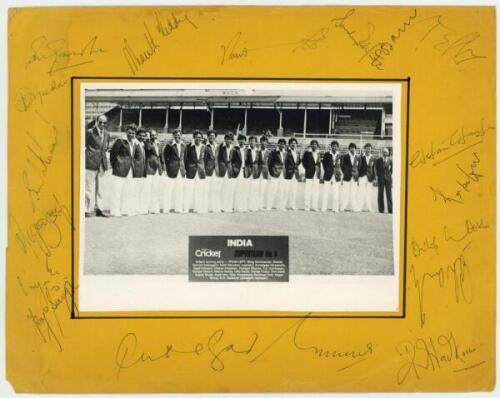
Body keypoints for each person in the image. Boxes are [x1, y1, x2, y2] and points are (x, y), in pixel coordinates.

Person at [109, 124, 136, 217]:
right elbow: (113, 155)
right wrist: (116, 166)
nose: (131, 135)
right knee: (117, 191)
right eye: (129, 132)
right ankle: (114, 210)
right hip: (119, 169)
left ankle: (124, 210)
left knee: (127, 190)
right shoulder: (120, 141)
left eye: (133, 133)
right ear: (126, 131)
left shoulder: (133, 142)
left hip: (129, 169)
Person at [85, 114, 109, 217]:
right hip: (90, 163)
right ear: (96, 122)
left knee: (101, 188)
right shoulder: (90, 132)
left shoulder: (107, 134)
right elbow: (84, 146)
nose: (102, 124)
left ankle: (99, 208)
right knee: (88, 188)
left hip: (101, 164)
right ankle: (86, 209)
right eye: (100, 122)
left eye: (104, 123)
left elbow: (105, 148)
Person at [184, 130, 207, 213]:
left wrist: (203, 169)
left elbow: (206, 160)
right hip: (191, 171)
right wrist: (187, 169)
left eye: (200, 137)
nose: (198, 139)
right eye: (196, 137)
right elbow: (185, 159)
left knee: (199, 191)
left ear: (202, 139)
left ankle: (198, 208)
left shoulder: (204, 147)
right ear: (194, 138)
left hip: (200, 172)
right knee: (188, 191)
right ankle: (186, 208)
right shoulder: (189, 147)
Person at [163, 129, 186, 213]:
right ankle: (166, 209)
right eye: (176, 135)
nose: (177, 136)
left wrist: (184, 169)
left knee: (179, 190)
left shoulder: (184, 145)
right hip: (171, 170)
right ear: (173, 136)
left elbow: (185, 158)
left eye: (179, 135)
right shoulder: (169, 146)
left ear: (181, 135)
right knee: (168, 190)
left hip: (181, 170)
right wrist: (167, 168)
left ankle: (178, 208)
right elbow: (165, 158)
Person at [144, 129, 163, 214]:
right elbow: (148, 148)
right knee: (147, 189)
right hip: (149, 168)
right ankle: (145, 208)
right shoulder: (147, 143)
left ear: (157, 135)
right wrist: (148, 139)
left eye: (155, 135)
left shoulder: (159, 144)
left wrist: (162, 168)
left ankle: (155, 208)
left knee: (156, 190)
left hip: (157, 169)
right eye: (152, 135)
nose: (153, 136)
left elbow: (161, 157)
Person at [321, 140, 342, 212]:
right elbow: (324, 163)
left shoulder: (339, 155)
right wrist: (327, 170)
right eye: (333, 146)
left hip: (336, 175)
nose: (334, 148)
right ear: (331, 147)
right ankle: (324, 208)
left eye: (335, 146)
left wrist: (338, 172)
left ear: (337, 147)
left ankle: (335, 208)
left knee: (336, 192)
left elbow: (341, 165)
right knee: (325, 191)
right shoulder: (327, 154)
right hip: (328, 174)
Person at [266, 138, 286, 210]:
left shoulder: (285, 152)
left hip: (283, 174)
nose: (282, 145)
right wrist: (271, 173)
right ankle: (269, 206)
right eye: (280, 143)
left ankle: (279, 206)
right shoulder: (274, 152)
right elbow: (269, 163)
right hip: (275, 173)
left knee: (281, 190)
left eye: (283, 144)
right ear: (278, 144)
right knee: (272, 190)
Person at [302, 139, 321, 211]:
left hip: (316, 174)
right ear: (311, 145)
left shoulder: (319, 153)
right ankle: (307, 206)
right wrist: (308, 168)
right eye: (313, 144)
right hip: (309, 173)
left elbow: (318, 163)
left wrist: (319, 171)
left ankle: (314, 206)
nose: (314, 145)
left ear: (317, 146)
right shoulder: (307, 153)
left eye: (315, 144)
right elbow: (304, 162)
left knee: (316, 191)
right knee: (308, 191)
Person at [132, 128, 147, 215]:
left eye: (143, 135)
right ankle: (133, 209)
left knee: (139, 191)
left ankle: (137, 208)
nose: (142, 137)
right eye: (140, 135)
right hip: (136, 171)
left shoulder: (142, 144)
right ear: (137, 135)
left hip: (142, 171)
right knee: (134, 191)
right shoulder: (134, 144)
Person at [357, 143, 376, 212]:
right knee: (361, 192)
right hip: (362, 176)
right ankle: (359, 207)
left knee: (369, 193)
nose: (368, 150)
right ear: (365, 149)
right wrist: (358, 177)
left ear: (371, 149)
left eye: (369, 148)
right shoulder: (361, 158)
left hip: (370, 177)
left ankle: (369, 207)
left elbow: (374, 169)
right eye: (367, 148)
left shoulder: (373, 158)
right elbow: (358, 167)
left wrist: (374, 178)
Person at [341, 142, 359, 212]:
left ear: (355, 149)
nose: (352, 149)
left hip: (354, 177)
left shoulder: (358, 157)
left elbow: (359, 167)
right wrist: (346, 172)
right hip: (347, 176)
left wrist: (356, 174)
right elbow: (342, 166)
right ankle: (343, 207)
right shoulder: (345, 157)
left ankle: (354, 207)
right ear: (349, 149)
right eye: (351, 148)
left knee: (353, 193)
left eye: (353, 148)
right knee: (345, 192)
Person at [218, 133, 234, 213]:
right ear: (225, 139)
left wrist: (233, 169)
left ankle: (228, 207)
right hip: (222, 170)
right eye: (227, 139)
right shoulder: (221, 147)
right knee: (221, 189)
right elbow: (217, 158)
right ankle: (221, 207)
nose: (228, 140)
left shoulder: (233, 148)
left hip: (230, 171)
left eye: (230, 139)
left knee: (229, 190)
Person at [232, 134, 248, 212]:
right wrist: (234, 169)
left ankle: (241, 206)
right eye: (240, 139)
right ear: (238, 141)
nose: (242, 141)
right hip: (236, 171)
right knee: (235, 189)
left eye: (243, 139)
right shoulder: (235, 149)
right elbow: (232, 161)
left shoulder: (246, 150)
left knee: (242, 189)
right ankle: (234, 207)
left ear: (245, 141)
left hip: (244, 171)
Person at [284, 138, 300, 210]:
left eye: (295, 143)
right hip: (288, 173)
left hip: (295, 174)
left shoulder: (297, 153)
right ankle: (283, 205)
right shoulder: (286, 152)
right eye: (292, 143)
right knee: (286, 190)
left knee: (294, 190)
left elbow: (298, 162)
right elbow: (284, 163)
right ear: (289, 144)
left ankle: (292, 205)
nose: (293, 144)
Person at [244, 136, 260, 211]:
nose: (252, 142)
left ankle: (253, 206)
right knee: (246, 189)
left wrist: (258, 171)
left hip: (255, 172)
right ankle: (246, 206)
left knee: (254, 190)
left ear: (256, 142)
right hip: (248, 171)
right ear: (249, 142)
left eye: (254, 141)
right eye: (251, 141)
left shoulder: (258, 151)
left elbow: (259, 162)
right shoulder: (246, 150)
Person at [204, 130, 218, 212]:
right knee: (206, 190)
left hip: (215, 171)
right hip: (207, 170)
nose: (212, 137)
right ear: (208, 137)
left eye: (213, 136)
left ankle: (212, 207)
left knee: (214, 190)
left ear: (215, 137)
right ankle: (205, 207)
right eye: (210, 136)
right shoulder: (205, 146)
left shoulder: (217, 146)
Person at [375, 147, 393, 214]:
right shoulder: (378, 160)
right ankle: (381, 209)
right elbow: (376, 169)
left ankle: (390, 209)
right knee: (380, 195)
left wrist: (389, 176)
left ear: (388, 153)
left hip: (388, 179)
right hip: (380, 179)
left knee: (389, 195)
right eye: (384, 152)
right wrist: (377, 177)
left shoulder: (390, 161)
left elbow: (392, 170)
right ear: (382, 153)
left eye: (386, 152)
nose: (385, 153)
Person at [257, 135, 270, 210]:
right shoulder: (257, 151)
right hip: (257, 172)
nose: (263, 143)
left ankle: (260, 205)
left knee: (262, 190)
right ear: (260, 143)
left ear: (267, 143)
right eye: (262, 142)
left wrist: (269, 173)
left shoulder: (269, 152)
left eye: (265, 142)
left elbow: (270, 163)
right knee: (256, 189)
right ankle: (255, 204)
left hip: (265, 172)